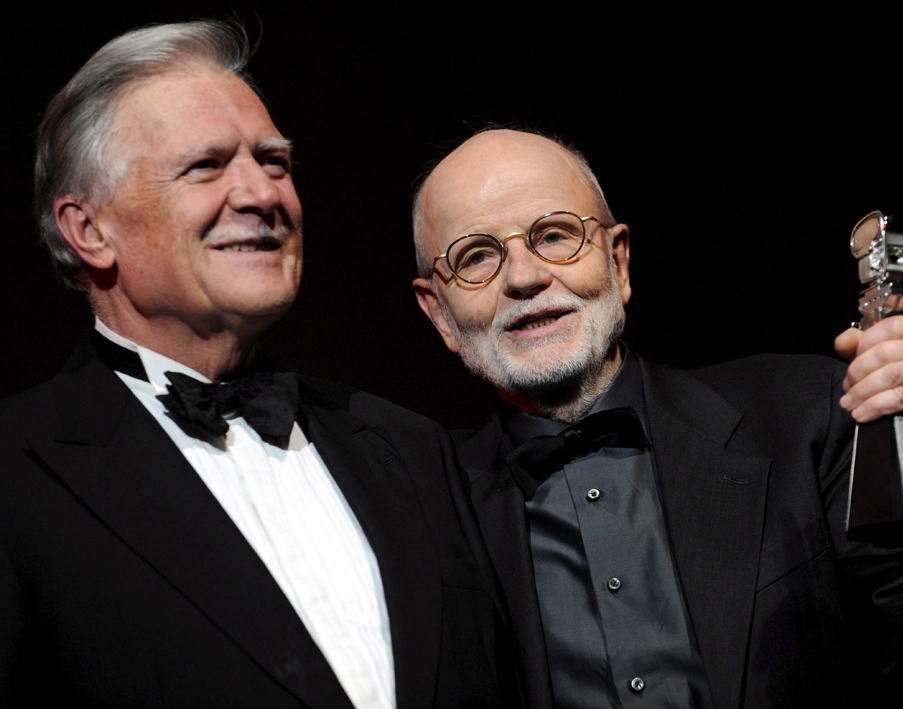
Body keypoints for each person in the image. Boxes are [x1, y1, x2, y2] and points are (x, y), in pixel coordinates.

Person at [0, 23, 520, 708]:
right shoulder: (15, 473)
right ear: (89, 230)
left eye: (274, 161)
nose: (262, 194)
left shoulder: (413, 449)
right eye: (206, 166)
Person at [411, 128, 903, 708]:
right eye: (476, 256)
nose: (525, 277)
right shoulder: (423, 510)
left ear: (618, 260)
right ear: (439, 313)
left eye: (554, 236)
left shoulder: (810, 413)